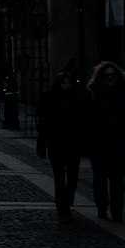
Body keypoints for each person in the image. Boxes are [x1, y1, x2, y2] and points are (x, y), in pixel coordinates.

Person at [85, 60, 125, 222]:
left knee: (118, 178)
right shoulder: (92, 94)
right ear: (100, 77)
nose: (110, 78)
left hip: (119, 142)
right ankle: (102, 206)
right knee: (100, 177)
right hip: (98, 143)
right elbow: (85, 120)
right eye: (106, 75)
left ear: (118, 77)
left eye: (113, 75)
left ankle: (117, 210)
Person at [36, 69, 87, 222]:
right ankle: (62, 207)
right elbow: (43, 124)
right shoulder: (49, 98)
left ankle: (66, 199)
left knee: (72, 177)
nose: (66, 86)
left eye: (68, 83)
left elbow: (84, 123)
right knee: (59, 177)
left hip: (73, 144)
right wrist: (42, 143)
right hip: (56, 143)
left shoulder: (77, 99)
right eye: (64, 83)